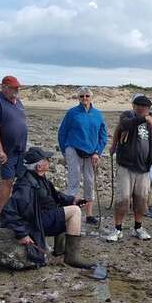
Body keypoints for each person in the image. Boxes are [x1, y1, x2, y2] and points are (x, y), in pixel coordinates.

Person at [1, 147, 97, 268]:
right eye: (47, 159)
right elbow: (8, 211)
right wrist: (22, 234)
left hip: (43, 217)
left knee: (70, 206)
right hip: (36, 223)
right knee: (75, 211)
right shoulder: (25, 186)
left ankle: (59, 251)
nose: (49, 161)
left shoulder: (39, 178)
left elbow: (55, 196)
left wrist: (73, 200)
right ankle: (72, 257)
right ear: (39, 166)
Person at [106, 94, 152, 242]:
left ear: (149, 108)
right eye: (139, 106)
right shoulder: (127, 116)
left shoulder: (151, 122)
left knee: (141, 200)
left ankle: (138, 227)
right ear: (134, 106)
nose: (142, 109)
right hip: (126, 166)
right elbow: (125, 125)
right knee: (123, 199)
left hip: (144, 168)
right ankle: (117, 229)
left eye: (145, 107)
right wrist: (144, 119)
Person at [58, 86, 108, 225]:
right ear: (78, 98)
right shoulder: (72, 113)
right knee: (74, 180)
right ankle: (69, 214)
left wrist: (97, 152)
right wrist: (65, 149)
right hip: (73, 149)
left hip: (92, 153)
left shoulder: (98, 114)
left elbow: (103, 135)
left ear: (91, 97)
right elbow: (62, 132)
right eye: (82, 96)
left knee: (89, 181)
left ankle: (89, 214)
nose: (84, 98)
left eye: (87, 96)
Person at [0, 75, 28, 227]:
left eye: (18, 88)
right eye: (14, 88)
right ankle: (1, 214)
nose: (17, 90)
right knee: (7, 180)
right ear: (4, 87)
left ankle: (15, 210)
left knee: (22, 179)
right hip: (6, 151)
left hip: (20, 149)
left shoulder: (18, 102)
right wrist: (0, 151)